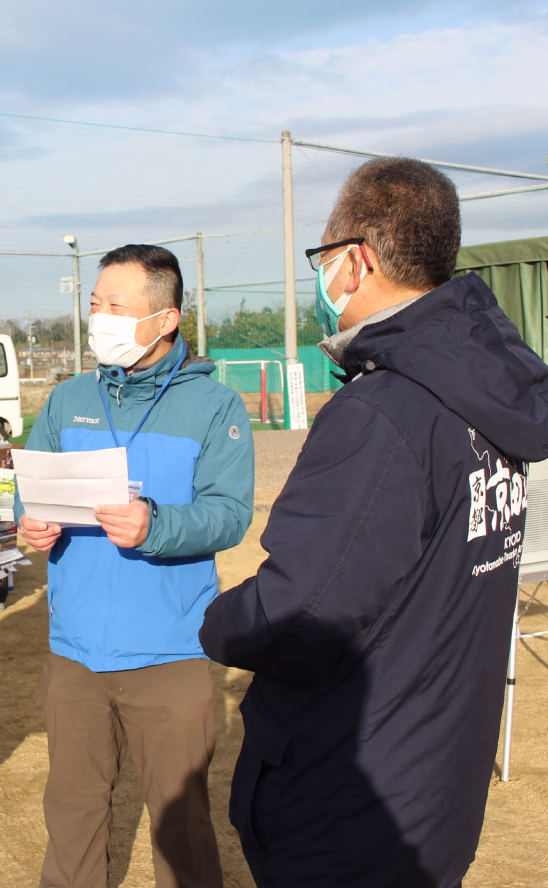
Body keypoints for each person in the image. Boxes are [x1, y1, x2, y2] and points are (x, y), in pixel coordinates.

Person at [199, 157, 548, 887]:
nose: (321, 280)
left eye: (322, 258)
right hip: (436, 780)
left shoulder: (382, 413)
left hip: (353, 804)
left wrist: (216, 622)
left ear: (356, 261)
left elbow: (299, 615)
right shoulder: (487, 390)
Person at [16, 244, 254, 888]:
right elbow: (30, 492)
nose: (99, 318)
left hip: (169, 653)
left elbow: (230, 515)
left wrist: (156, 526)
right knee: (71, 813)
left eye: (115, 307)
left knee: (180, 825)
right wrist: (30, 521)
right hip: (75, 652)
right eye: (94, 304)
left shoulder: (215, 407)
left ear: (165, 318)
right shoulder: (67, 400)